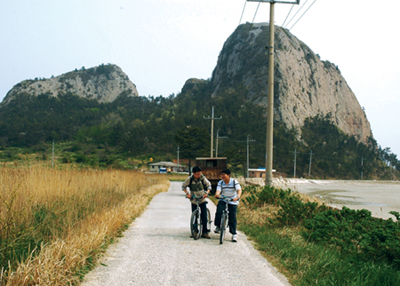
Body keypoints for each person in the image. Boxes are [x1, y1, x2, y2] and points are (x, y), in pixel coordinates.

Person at [182, 166, 212, 239]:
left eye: (200, 174)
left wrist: (207, 193)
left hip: (202, 199)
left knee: (204, 215)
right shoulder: (190, 179)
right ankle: (195, 231)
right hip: (194, 199)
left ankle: (205, 232)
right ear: (194, 173)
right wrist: (187, 194)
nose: (199, 175)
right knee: (194, 215)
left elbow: (209, 186)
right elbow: (183, 187)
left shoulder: (202, 178)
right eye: (197, 174)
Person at [214, 169, 242, 242]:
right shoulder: (221, 182)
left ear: (228, 175)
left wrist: (238, 197)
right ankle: (218, 226)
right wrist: (217, 194)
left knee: (232, 217)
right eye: (222, 174)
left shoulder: (234, 182)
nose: (222, 176)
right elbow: (218, 190)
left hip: (232, 200)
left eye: (224, 174)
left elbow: (239, 190)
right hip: (223, 199)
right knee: (219, 212)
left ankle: (234, 234)